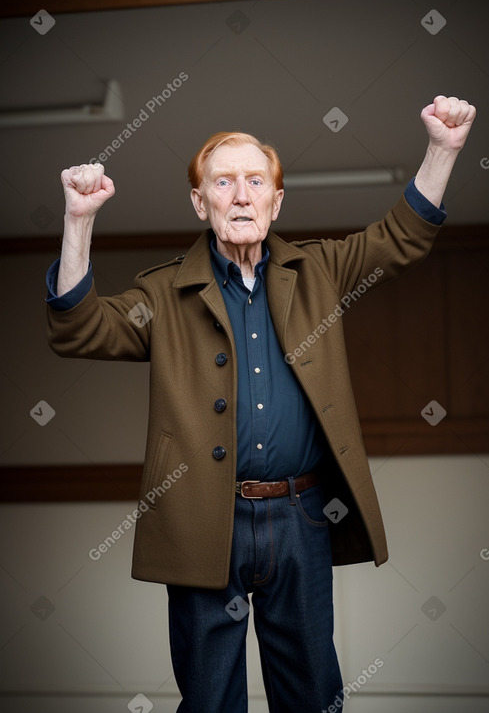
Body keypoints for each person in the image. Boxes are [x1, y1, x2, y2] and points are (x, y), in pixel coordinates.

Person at [46, 95, 475, 713]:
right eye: (223, 182)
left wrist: (443, 148)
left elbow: (401, 239)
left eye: (256, 181)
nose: (241, 195)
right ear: (201, 203)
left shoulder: (321, 271)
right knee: (210, 698)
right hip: (201, 519)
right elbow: (78, 328)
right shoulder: (164, 293)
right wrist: (79, 220)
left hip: (300, 517)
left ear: (277, 201)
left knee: (310, 694)